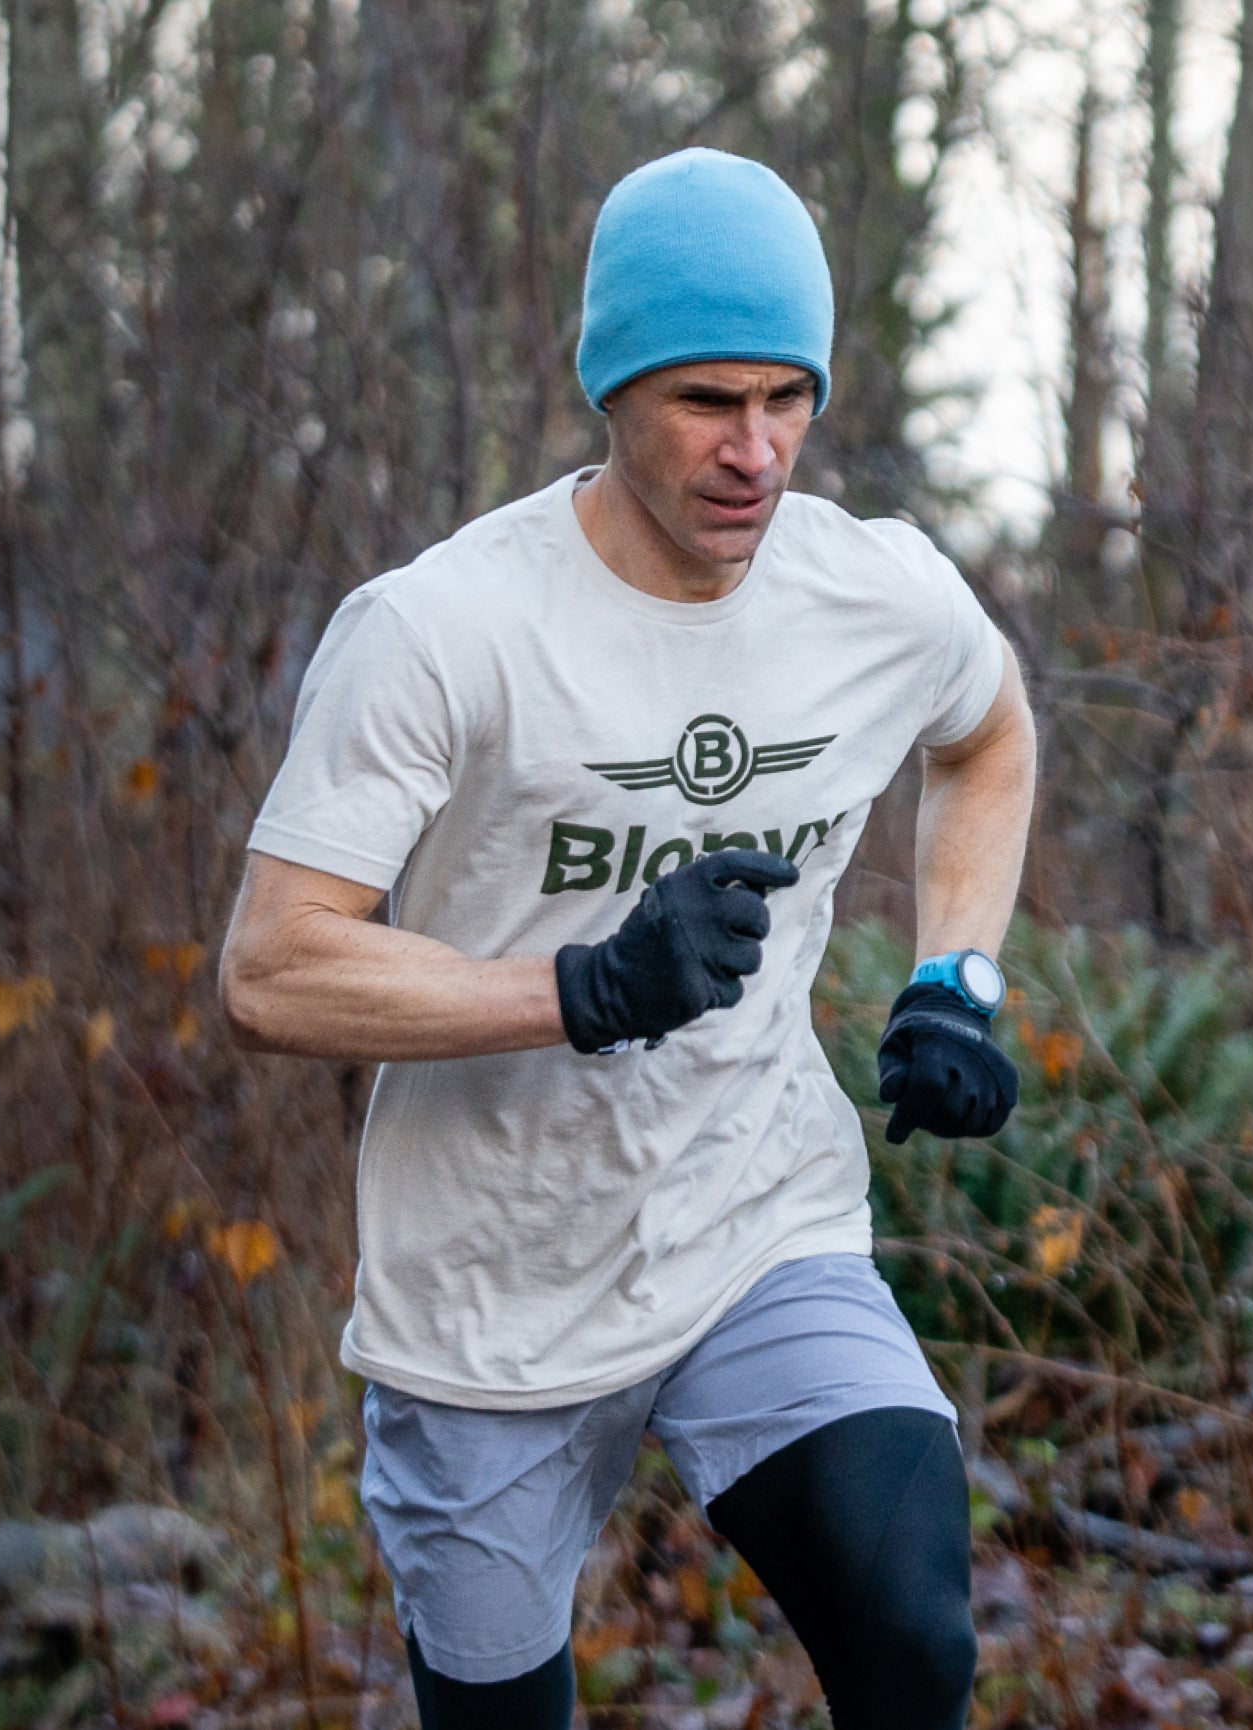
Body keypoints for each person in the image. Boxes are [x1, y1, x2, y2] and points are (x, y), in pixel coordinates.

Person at [217, 147, 1035, 1730]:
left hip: (755, 1221)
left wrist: (959, 976)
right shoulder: (442, 630)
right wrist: (581, 988)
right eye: (705, 403)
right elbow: (272, 965)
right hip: (488, 1293)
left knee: (913, 1622)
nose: (757, 452)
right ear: (611, 390)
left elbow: (987, 736)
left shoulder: (875, 597)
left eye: (789, 397)